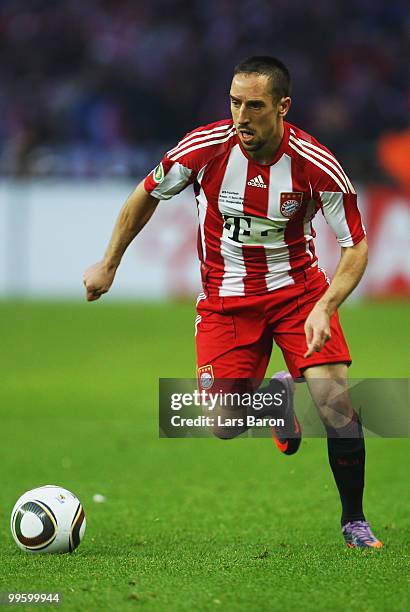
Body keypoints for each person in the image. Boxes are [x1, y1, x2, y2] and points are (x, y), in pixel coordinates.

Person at [83, 56, 382, 549]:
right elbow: (146, 194)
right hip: (226, 303)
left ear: (283, 106)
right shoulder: (203, 149)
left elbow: (356, 245)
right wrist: (109, 262)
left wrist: (326, 306)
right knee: (221, 423)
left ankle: (354, 521)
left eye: (255, 105)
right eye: (235, 103)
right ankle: (277, 399)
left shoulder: (316, 164)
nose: (242, 115)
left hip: (298, 294)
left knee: (335, 401)